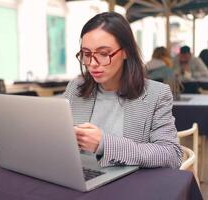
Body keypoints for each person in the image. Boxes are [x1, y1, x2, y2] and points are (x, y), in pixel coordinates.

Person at [63, 12, 182, 169]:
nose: (92, 63)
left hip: (129, 187)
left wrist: (104, 144)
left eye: (104, 54)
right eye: (86, 54)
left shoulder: (156, 94)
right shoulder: (75, 88)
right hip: (80, 178)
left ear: (126, 51)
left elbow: (171, 154)